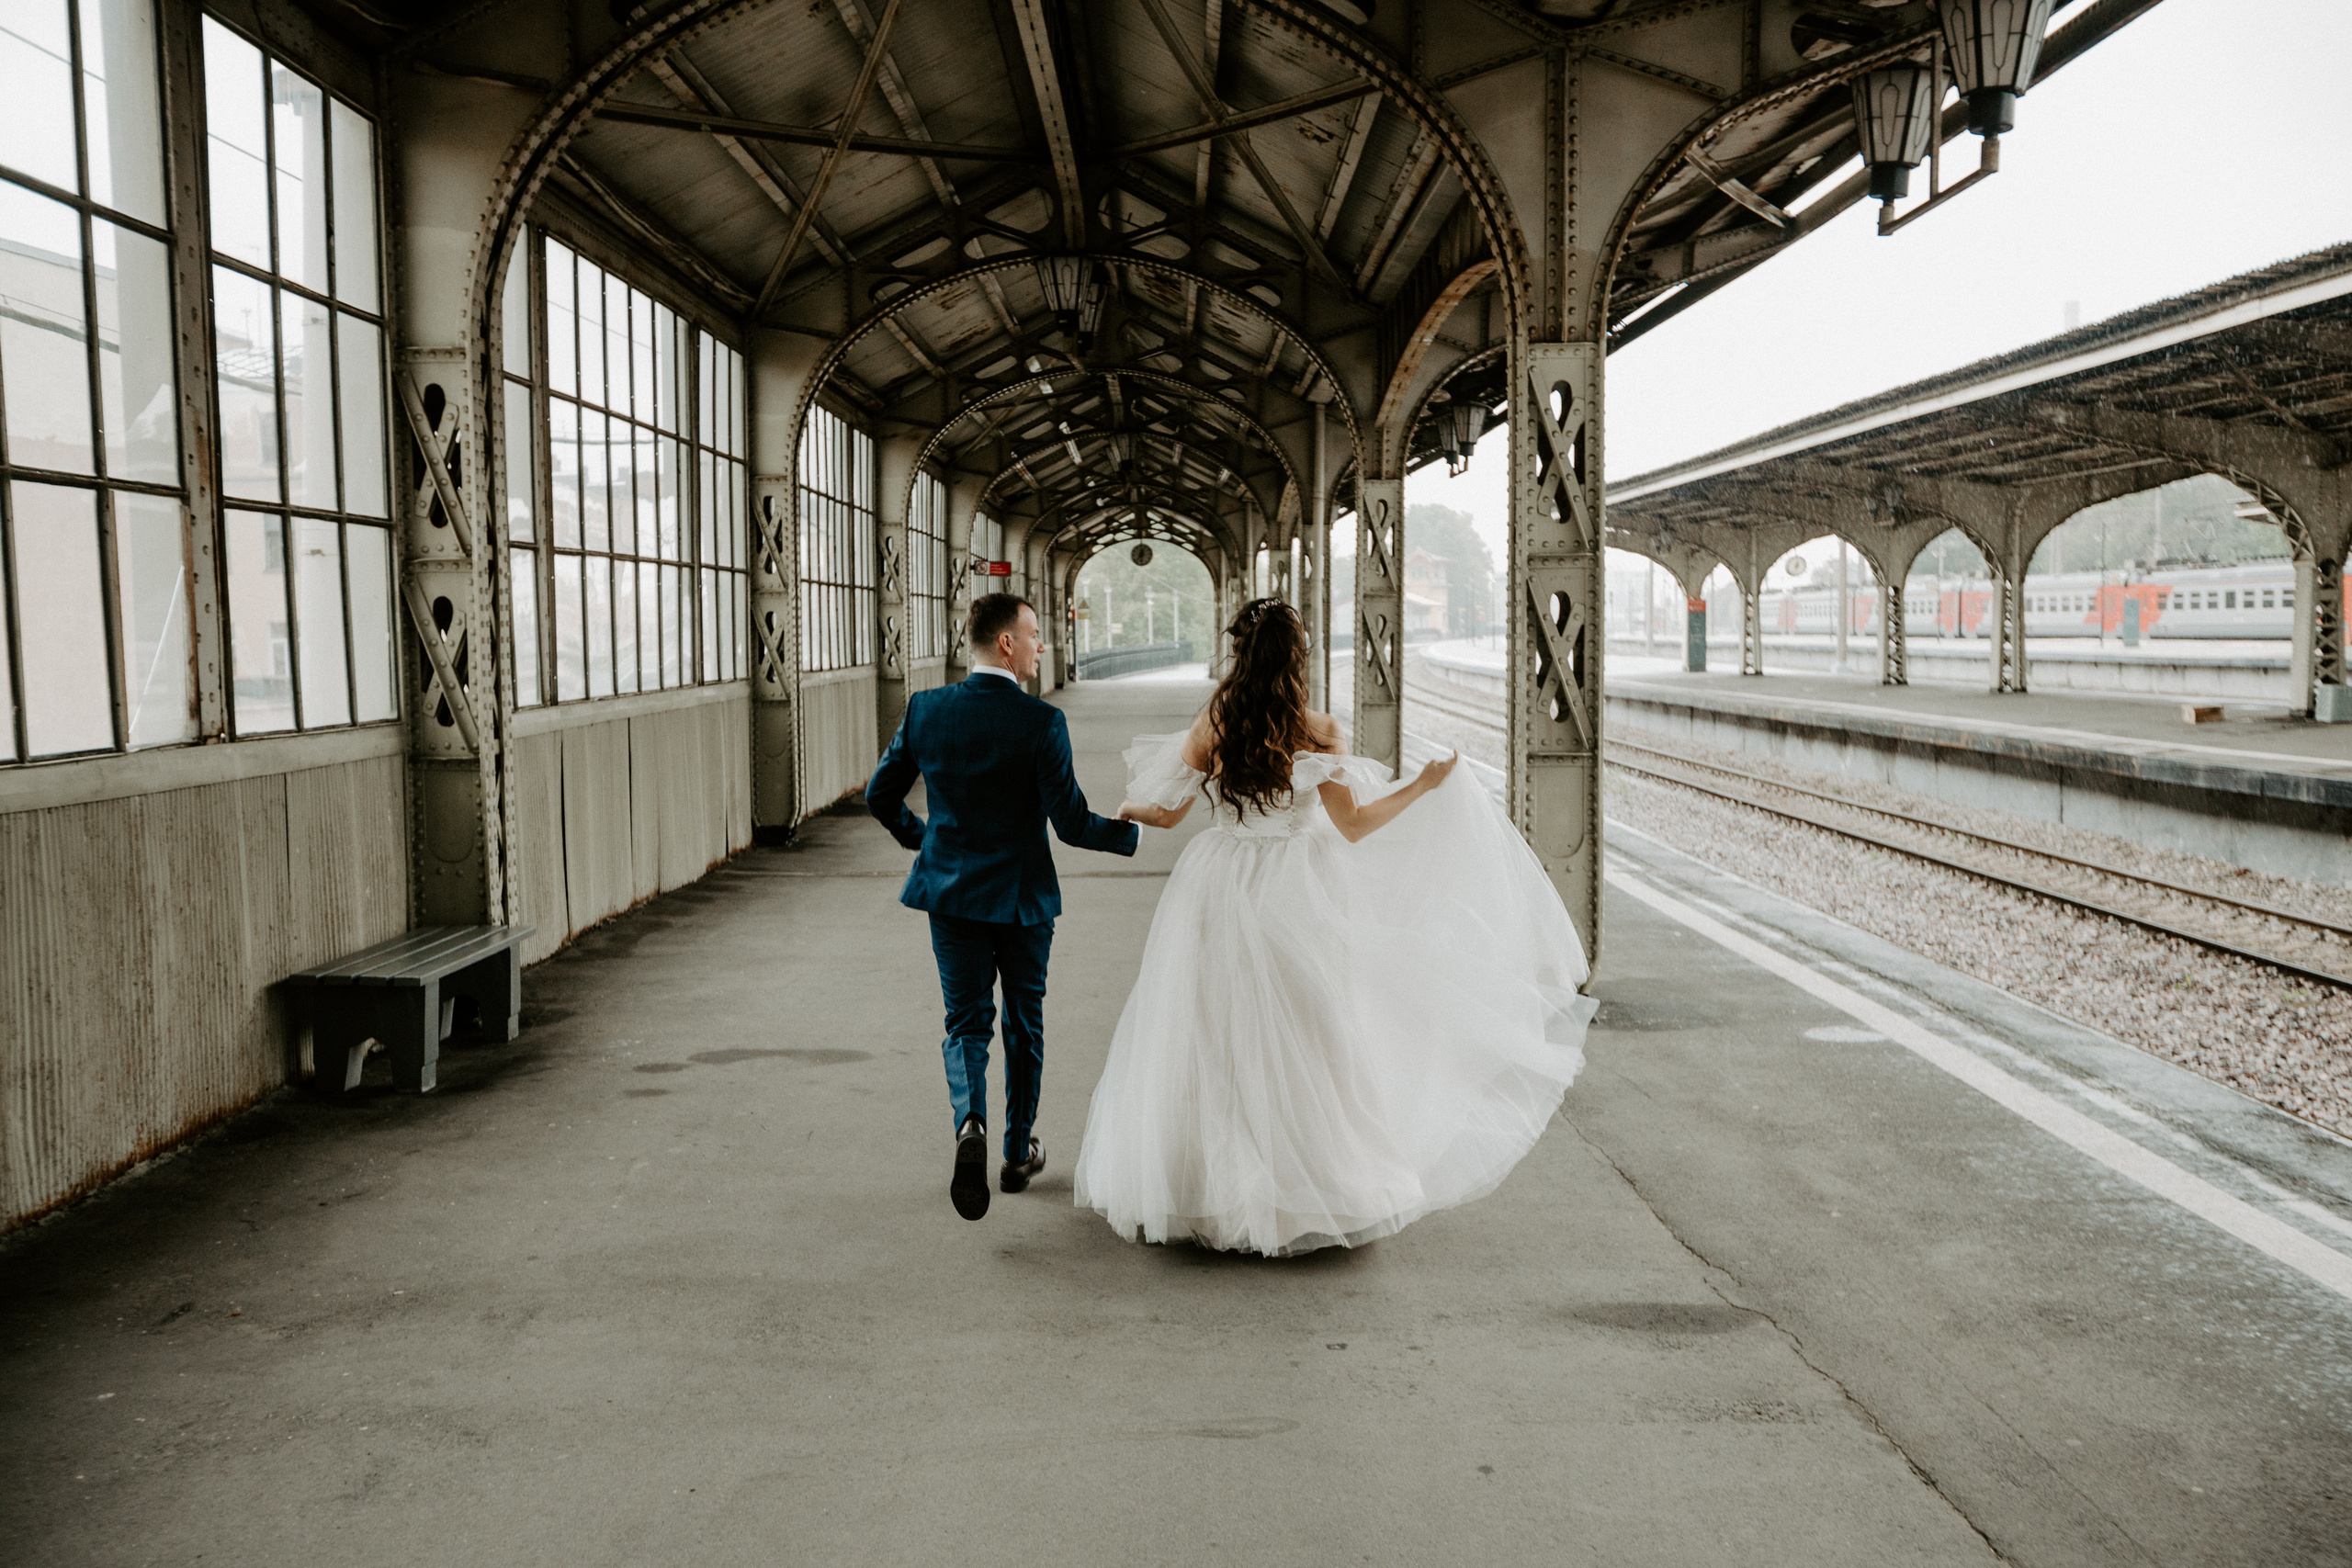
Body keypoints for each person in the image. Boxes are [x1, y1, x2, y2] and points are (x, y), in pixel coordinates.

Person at [1071, 597, 1595, 1256]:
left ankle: (1206, 1185)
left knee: (1213, 1029)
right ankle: (1302, 1187)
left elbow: (1171, 813)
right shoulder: (1317, 730)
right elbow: (1353, 826)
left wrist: (1129, 807)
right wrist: (1424, 786)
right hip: (1294, 888)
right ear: (1298, 661)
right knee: (1308, 1032)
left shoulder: (1216, 719)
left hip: (1218, 882)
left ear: (1240, 653)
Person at [867, 592, 1140, 1222]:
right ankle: (1018, 1153)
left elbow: (880, 795)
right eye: (1036, 633)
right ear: (1008, 644)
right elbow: (1070, 824)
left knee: (965, 1024)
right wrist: (1132, 832)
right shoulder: (1041, 723)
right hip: (1022, 900)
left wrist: (926, 839)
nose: (1043, 644)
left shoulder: (927, 709)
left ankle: (971, 1125)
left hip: (951, 894)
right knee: (1023, 1020)